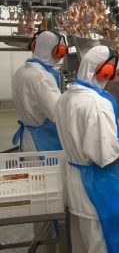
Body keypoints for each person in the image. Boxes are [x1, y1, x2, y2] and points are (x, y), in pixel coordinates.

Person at [55, 45, 119, 252]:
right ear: (104, 71)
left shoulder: (68, 97)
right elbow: (109, 155)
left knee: (83, 244)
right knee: (105, 244)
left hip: (77, 185)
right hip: (99, 192)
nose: (117, 79)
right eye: (116, 74)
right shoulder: (96, 104)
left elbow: (101, 132)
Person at [11, 30, 68, 253]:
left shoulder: (24, 70)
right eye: (60, 52)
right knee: (49, 199)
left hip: (30, 138)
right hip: (43, 144)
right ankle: (49, 247)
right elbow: (57, 114)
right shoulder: (42, 77)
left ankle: (44, 242)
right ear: (56, 51)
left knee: (39, 198)